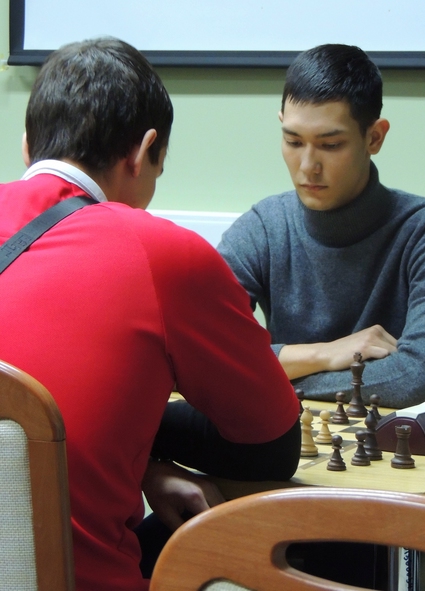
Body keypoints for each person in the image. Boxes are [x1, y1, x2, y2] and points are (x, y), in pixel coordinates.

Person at [0, 38, 301, 591]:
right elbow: (273, 443)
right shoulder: (160, 253)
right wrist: (139, 439)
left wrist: (141, 465)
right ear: (144, 152)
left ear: (27, 147)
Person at [218, 43, 425, 409]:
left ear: (374, 137)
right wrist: (324, 354)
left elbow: (414, 379)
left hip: (389, 441)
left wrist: (271, 373)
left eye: (331, 145)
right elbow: (201, 350)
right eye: (293, 141)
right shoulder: (262, 228)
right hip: (288, 437)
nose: (307, 166)